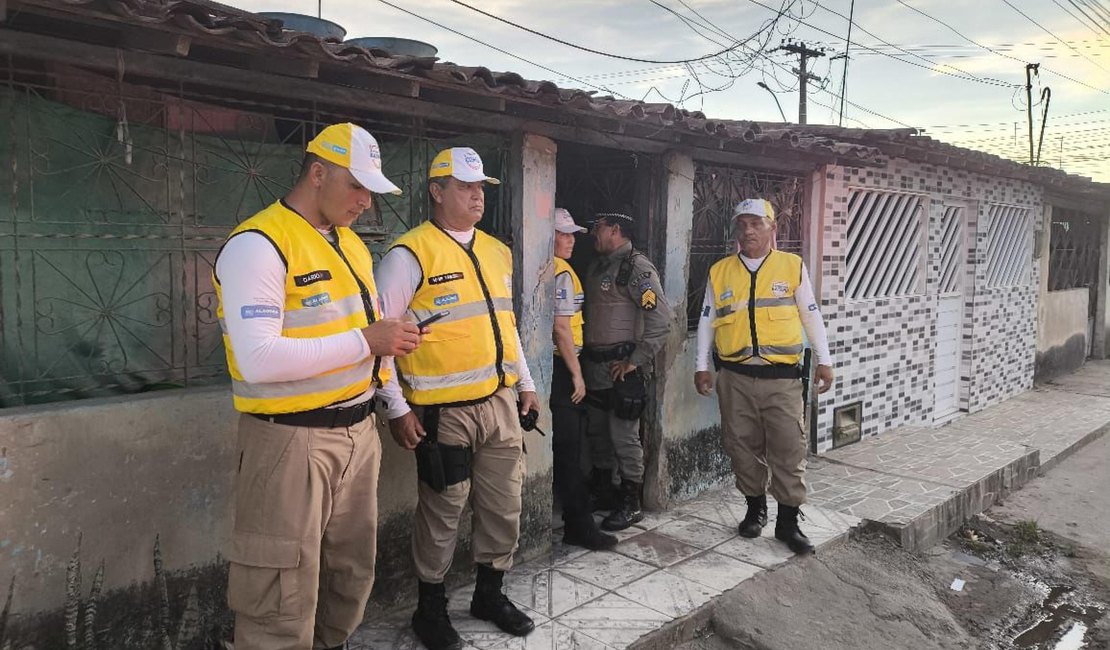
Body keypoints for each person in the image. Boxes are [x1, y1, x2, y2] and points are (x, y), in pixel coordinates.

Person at [214, 122, 424, 650]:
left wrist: (388, 356)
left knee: (349, 575)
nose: (365, 203)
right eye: (356, 187)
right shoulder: (258, 245)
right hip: (289, 442)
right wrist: (367, 341)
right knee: (281, 592)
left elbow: (367, 335)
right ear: (316, 173)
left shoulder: (349, 245)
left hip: (358, 433)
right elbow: (258, 358)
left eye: (371, 192)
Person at [374, 147, 539, 650]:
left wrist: (526, 383)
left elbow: (506, 327)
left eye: (481, 188)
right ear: (436, 191)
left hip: (500, 404)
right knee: (444, 511)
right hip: (442, 414)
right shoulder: (408, 254)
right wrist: (395, 407)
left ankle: (489, 594)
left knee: (503, 505)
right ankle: (430, 609)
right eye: (464, 187)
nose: (475, 196)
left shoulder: (496, 251)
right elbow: (380, 338)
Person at [693, 198, 835, 555]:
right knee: (741, 447)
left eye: (756, 223)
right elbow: (706, 321)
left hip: (783, 379)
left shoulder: (791, 266)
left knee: (788, 448)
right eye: (742, 224)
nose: (748, 230)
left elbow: (811, 315)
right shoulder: (720, 271)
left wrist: (825, 359)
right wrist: (701, 366)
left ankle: (788, 522)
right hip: (735, 378)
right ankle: (754, 510)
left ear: (773, 228)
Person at [580, 212, 673, 532]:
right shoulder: (597, 266)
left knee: (624, 437)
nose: (593, 233)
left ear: (615, 230)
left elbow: (662, 321)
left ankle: (630, 501)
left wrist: (636, 359)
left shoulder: (636, 268)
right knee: (598, 435)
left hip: (622, 371)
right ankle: (605, 492)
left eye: (598, 227)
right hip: (594, 368)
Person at [551, 208, 619, 550]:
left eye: (572, 234)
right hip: (563, 368)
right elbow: (561, 328)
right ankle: (577, 525)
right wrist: (577, 376)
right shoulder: (560, 272)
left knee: (566, 447)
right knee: (569, 449)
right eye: (562, 234)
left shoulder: (546, 269)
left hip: (555, 367)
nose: (571, 241)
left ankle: (574, 520)